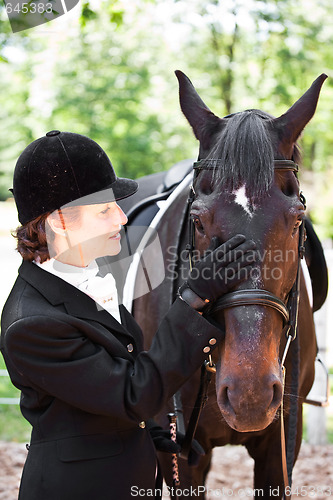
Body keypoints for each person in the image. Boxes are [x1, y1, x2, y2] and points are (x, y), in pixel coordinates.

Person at [0, 130, 256, 500]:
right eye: (104, 209)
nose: (122, 217)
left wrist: (149, 437)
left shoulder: (83, 279)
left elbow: (105, 386)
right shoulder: (32, 324)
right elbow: (133, 393)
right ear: (60, 222)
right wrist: (194, 297)